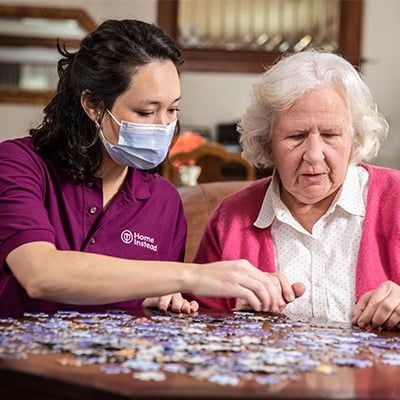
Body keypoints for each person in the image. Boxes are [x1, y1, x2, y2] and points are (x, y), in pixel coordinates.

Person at [0, 19, 278, 316]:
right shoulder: (17, 164)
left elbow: (151, 305)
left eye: (172, 110)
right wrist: (197, 276)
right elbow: (40, 275)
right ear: (93, 105)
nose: (163, 126)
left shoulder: (164, 201)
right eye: (146, 111)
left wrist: (165, 301)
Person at [192, 50, 400, 329]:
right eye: (296, 136)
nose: (314, 154)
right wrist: (234, 320)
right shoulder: (229, 219)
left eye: (330, 135)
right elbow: (198, 326)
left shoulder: (396, 199)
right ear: (268, 143)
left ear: (355, 137)